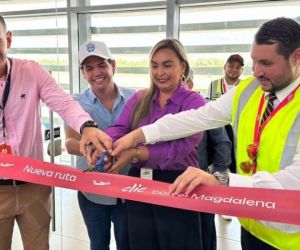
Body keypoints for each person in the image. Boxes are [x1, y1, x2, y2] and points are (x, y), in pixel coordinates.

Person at [111, 17, 300, 250]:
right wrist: (139, 134)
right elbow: (198, 117)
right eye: (253, 61)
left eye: (266, 63)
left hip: (290, 235)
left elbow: (295, 181)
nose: (256, 71)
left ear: (296, 57)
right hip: (253, 223)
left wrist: (223, 180)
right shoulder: (250, 89)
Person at [0, 16, 111, 250]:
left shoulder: (31, 71)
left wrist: (87, 126)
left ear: (8, 39)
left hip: (34, 186)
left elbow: (63, 102)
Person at [93, 38, 210, 250]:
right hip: (140, 185)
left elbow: (178, 149)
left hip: (178, 185)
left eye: (167, 65)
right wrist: (104, 146)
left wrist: (135, 153)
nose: (160, 72)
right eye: (154, 65)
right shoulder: (141, 98)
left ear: (183, 66)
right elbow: (119, 127)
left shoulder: (194, 102)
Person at [65, 40, 134, 250]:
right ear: (83, 73)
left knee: (127, 244)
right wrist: (90, 150)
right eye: (89, 68)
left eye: (102, 65)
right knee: (98, 244)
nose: (96, 72)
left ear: (113, 65)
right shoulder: (75, 103)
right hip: (92, 192)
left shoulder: (135, 99)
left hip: (128, 190)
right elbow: (69, 143)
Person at [185, 70, 232, 249]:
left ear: (190, 85)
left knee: (205, 231)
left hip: (202, 181)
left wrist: (216, 176)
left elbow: (222, 143)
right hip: (175, 183)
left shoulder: (205, 109)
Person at [208, 54, 244, 221]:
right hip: (218, 132)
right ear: (225, 66)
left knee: (236, 168)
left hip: (238, 132)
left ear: (242, 70)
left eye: (238, 67)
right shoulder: (214, 85)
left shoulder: (246, 87)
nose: (234, 70)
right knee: (220, 167)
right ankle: (221, 201)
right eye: (231, 66)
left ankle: (231, 203)